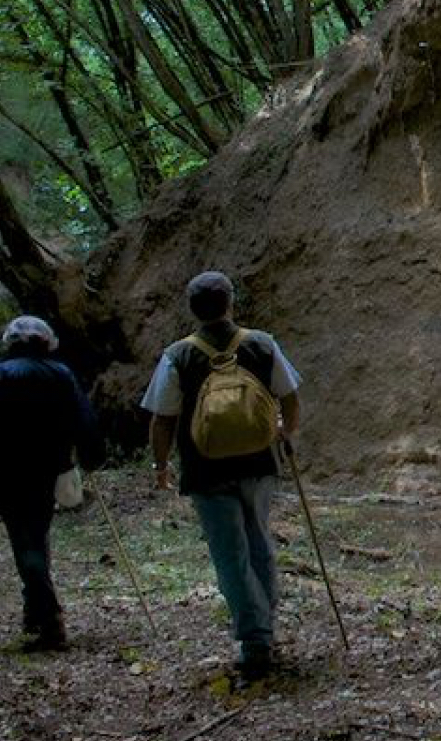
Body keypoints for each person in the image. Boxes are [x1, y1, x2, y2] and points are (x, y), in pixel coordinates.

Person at [141, 272, 302, 681]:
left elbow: (163, 419)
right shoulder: (261, 344)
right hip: (259, 463)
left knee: (230, 552)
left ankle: (255, 641)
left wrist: (161, 467)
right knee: (260, 540)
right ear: (230, 302)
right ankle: (265, 626)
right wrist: (285, 433)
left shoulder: (178, 355)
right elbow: (290, 396)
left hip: (205, 469)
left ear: (192, 308)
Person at [0, 316, 104, 651]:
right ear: (45, 342)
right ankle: (35, 611)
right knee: (35, 534)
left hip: (3, 471)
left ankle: (48, 619)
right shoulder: (61, 373)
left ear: (10, 342)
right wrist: (92, 455)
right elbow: (84, 418)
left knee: (25, 540)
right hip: (48, 469)